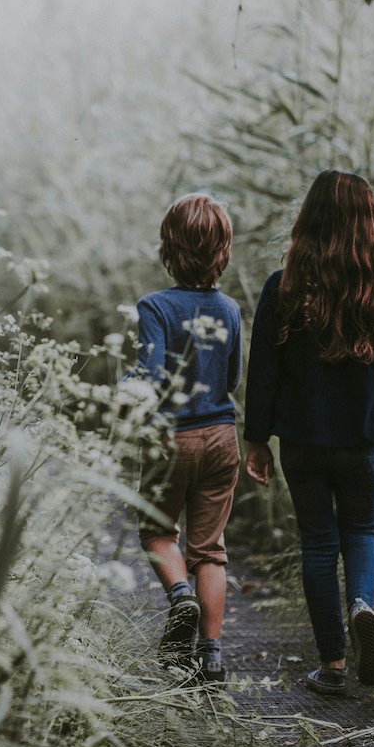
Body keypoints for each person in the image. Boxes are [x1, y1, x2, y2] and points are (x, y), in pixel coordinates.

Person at [244, 169, 374, 696]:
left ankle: (334, 665)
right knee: (361, 532)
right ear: (369, 224)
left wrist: (256, 439)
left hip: (303, 441)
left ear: (307, 221)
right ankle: (361, 604)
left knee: (318, 542)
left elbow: (262, 370)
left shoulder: (284, 288)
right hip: (362, 440)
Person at [130, 194, 243, 683]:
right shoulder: (230, 309)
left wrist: (124, 389)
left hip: (171, 438)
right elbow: (232, 379)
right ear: (223, 250)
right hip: (221, 437)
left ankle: (181, 598)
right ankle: (212, 657)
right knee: (210, 549)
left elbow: (151, 377)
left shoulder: (154, 307)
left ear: (168, 248)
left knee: (157, 530)